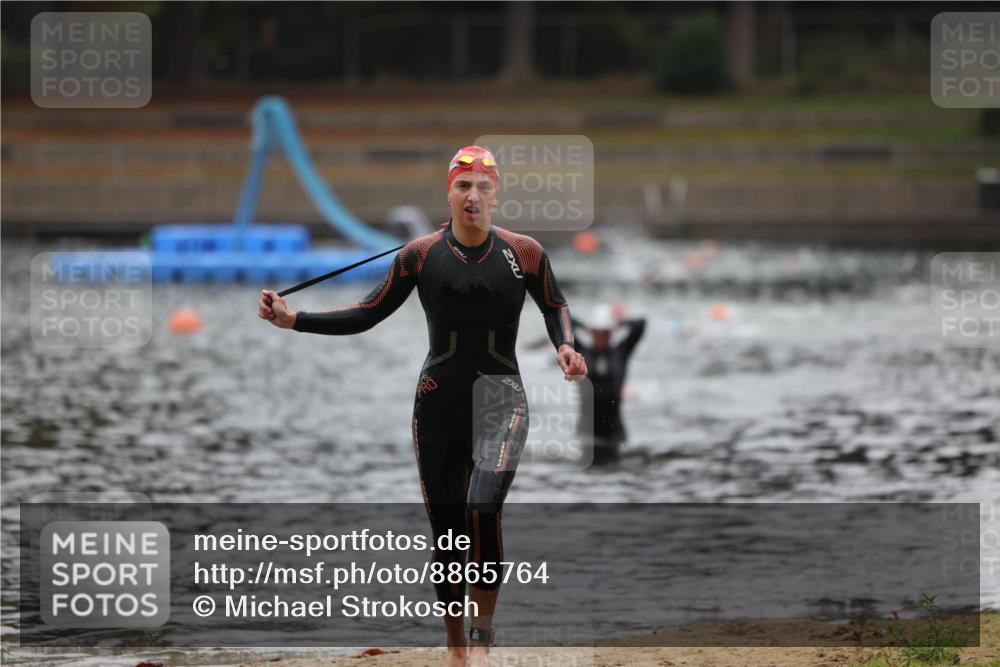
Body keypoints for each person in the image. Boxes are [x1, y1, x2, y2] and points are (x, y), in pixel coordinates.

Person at [258, 145, 587, 666]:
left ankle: (480, 643)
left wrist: (566, 345)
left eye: (483, 187)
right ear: (449, 193)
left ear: (496, 193)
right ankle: (455, 646)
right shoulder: (418, 255)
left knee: (483, 508)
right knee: (449, 533)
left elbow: (554, 303)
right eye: (463, 186)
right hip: (436, 406)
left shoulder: (524, 252)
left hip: (503, 401)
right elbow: (366, 313)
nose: (473, 196)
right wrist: (294, 319)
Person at [573, 305, 646, 462]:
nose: (601, 337)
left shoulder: (621, 352)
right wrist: (584, 326)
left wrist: (619, 323)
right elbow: (564, 322)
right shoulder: (581, 352)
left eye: (605, 333)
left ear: (611, 333)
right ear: (591, 333)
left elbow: (641, 324)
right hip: (587, 430)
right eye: (597, 333)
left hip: (614, 429)